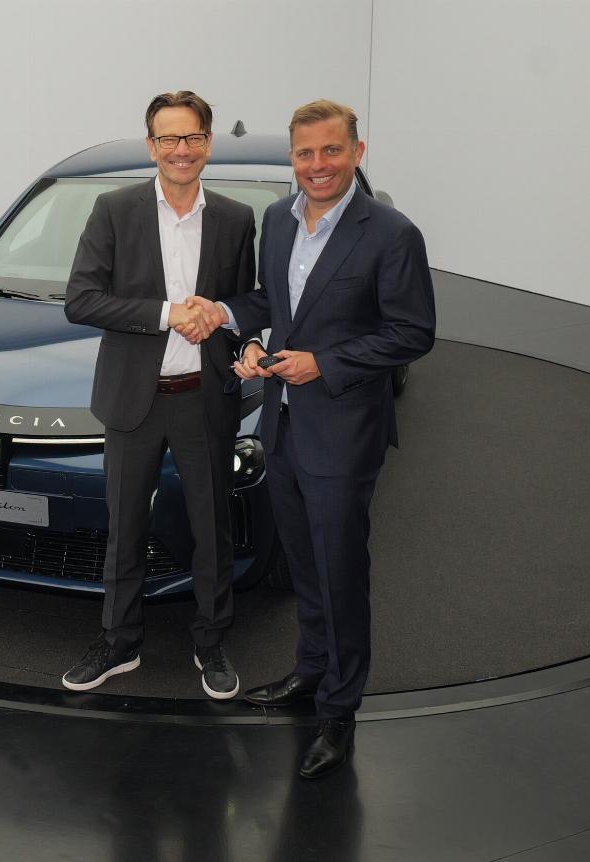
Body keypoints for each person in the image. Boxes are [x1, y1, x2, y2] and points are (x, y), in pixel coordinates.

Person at [205, 98, 436, 777]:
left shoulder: (392, 234)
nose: (318, 165)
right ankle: (309, 671)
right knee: (303, 565)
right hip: (281, 424)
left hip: (343, 432)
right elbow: (272, 304)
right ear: (293, 159)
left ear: (357, 153)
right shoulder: (278, 219)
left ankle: (339, 709)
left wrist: (325, 364)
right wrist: (243, 334)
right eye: (305, 153)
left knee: (340, 573)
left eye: (331, 151)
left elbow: (412, 332)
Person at [61, 91, 257, 699]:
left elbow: (251, 302)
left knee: (211, 527)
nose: (181, 149)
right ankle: (119, 642)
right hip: (133, 400)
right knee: (124, 527)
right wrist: (168, 314)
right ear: (151, 147)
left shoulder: (235, 219)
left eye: (192, 137)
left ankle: (211, 642)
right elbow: (81, 300)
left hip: (205, 397)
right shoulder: (114, 210)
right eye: (169, 138)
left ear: (208, 144)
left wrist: (226, 318)